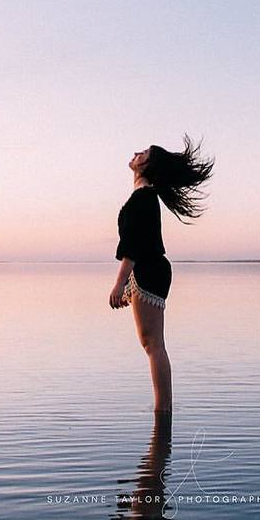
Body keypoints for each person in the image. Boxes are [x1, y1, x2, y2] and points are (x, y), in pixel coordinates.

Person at [109, 134, 215, 413]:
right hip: (150, 269)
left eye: (143, 152)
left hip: (149, 268)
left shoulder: (144, 197)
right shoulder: (143, 196)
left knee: (153, 345)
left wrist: (119, 284)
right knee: (153, 344)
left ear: (147, 166)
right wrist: (127, 285)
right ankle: (162, 413)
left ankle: (163, 411)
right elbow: (136, 243)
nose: (136, 152)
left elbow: (133, 244)